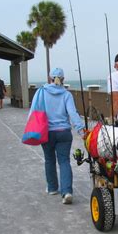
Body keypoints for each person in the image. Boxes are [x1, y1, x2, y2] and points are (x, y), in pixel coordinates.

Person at [30, 68, 85, 205]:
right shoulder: (67, 94)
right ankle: (67, 192)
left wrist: (31, 128)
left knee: (49, 160)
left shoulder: (41, 92)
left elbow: (34, 111)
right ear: (63, 79)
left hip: (47, 132)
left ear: (50, 78)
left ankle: (52, 188)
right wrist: (81, 130)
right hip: (64, 133)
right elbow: (73, 114)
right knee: (64, 161)